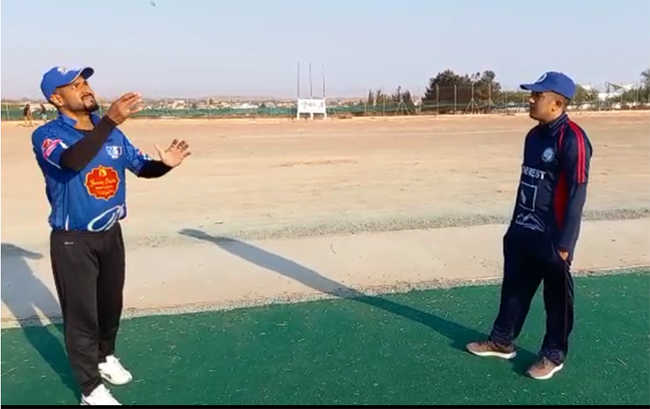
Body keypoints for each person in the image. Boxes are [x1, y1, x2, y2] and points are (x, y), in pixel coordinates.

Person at [31, 66, 191, 405]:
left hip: (110, 235)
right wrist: (109, 122)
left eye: (85, 82)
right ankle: (89, 389)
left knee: (109, 307)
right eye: (74, 85)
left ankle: (105, 357)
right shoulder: (48, 134)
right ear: (56, 98)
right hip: (73, 240)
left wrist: (164, 165)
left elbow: (140, 166)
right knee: (81, 316)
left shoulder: (114, 135)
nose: (85, 88)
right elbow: (72, 161)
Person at [466, 71, 593, 380]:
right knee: (513, 290)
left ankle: (553, 353)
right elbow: (528, 184)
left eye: (538, 95)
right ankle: (502, 340)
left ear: (557, 103)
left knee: (556, 299)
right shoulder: (533, 137)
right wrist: (513, 228)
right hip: (522, 229)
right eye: (532, 94)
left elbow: (577, 194)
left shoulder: (573, 139)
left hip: (552, 238)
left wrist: (566, 244)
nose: (531, 99)